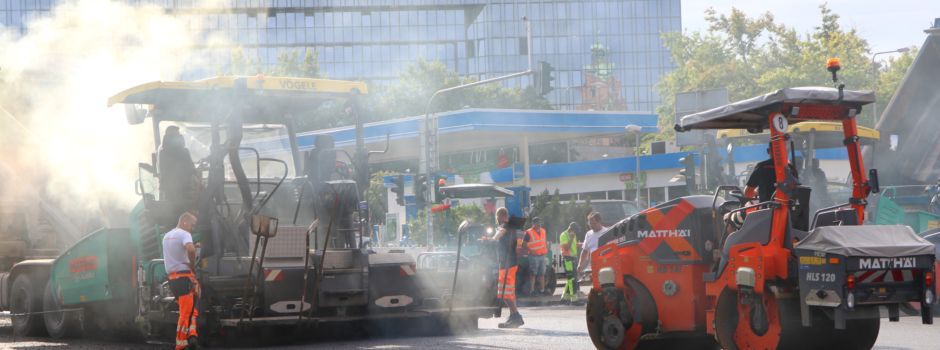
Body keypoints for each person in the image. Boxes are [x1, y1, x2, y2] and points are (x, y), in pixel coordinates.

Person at [481, 207, 524, 328]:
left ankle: (516, 316)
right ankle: (513, 316)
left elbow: (498, 235)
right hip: (511, 263)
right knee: (509, 293)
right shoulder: (511, 227)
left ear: (499, 216)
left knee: (504, 293)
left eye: (497, 217)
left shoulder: (504, 226)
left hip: (506, 265)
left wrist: (490, 240)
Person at [163, 212, 200, 350]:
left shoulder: (167, 236)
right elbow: (190, 250)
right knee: (185, 313)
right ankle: (181, 345)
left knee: (189, 310)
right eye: (192, 225)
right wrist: (192, 266)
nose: (192, 228)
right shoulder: (184, 234)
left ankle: (192, 336)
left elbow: (176, 253)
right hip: (184, 278)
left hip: (173, 279)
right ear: (184, 221)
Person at [159, 126, 199, 219]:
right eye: (176, 134)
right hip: (182, 191)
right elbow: (191, 169)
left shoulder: (163, 153)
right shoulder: (183, 152)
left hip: (172, 192)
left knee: (174, 216)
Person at [524, 217, 549, 296]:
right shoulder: (528, 232)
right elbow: (523, 244)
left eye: (539, 222)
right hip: (533, 256)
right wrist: (531, 251)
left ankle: (542, 290)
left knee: (542, 273)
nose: (539, 224)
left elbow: (544, 241)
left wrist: (546, 249)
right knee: (533, 273)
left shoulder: (543, 231)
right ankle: (532, 291)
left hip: (542, 255)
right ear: (533, 224)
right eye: (537, 223)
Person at [559, 222, 580, 303]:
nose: (575, 232)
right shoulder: (563, 235)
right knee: (572, 279)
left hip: (573, 258)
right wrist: (571, 238)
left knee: (571, 278)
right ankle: (574, 299)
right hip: (567, 259)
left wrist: (580, 245)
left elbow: (573, 246)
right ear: (571, 229)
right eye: (575, 230)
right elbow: (567, 248)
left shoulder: (573, 235)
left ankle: (564, 297)